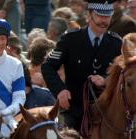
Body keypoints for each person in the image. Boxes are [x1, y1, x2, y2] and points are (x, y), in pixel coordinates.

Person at [41, 0, 122, 131]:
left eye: (107, 16)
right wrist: (60, 90)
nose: (104, 21)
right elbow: (48, 66)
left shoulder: (116, 43)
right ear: (89, 16)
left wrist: (106, 81)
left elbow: (124, 74)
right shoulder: (70, 39)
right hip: (73, 109)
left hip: (104, 113)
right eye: (100, 16)